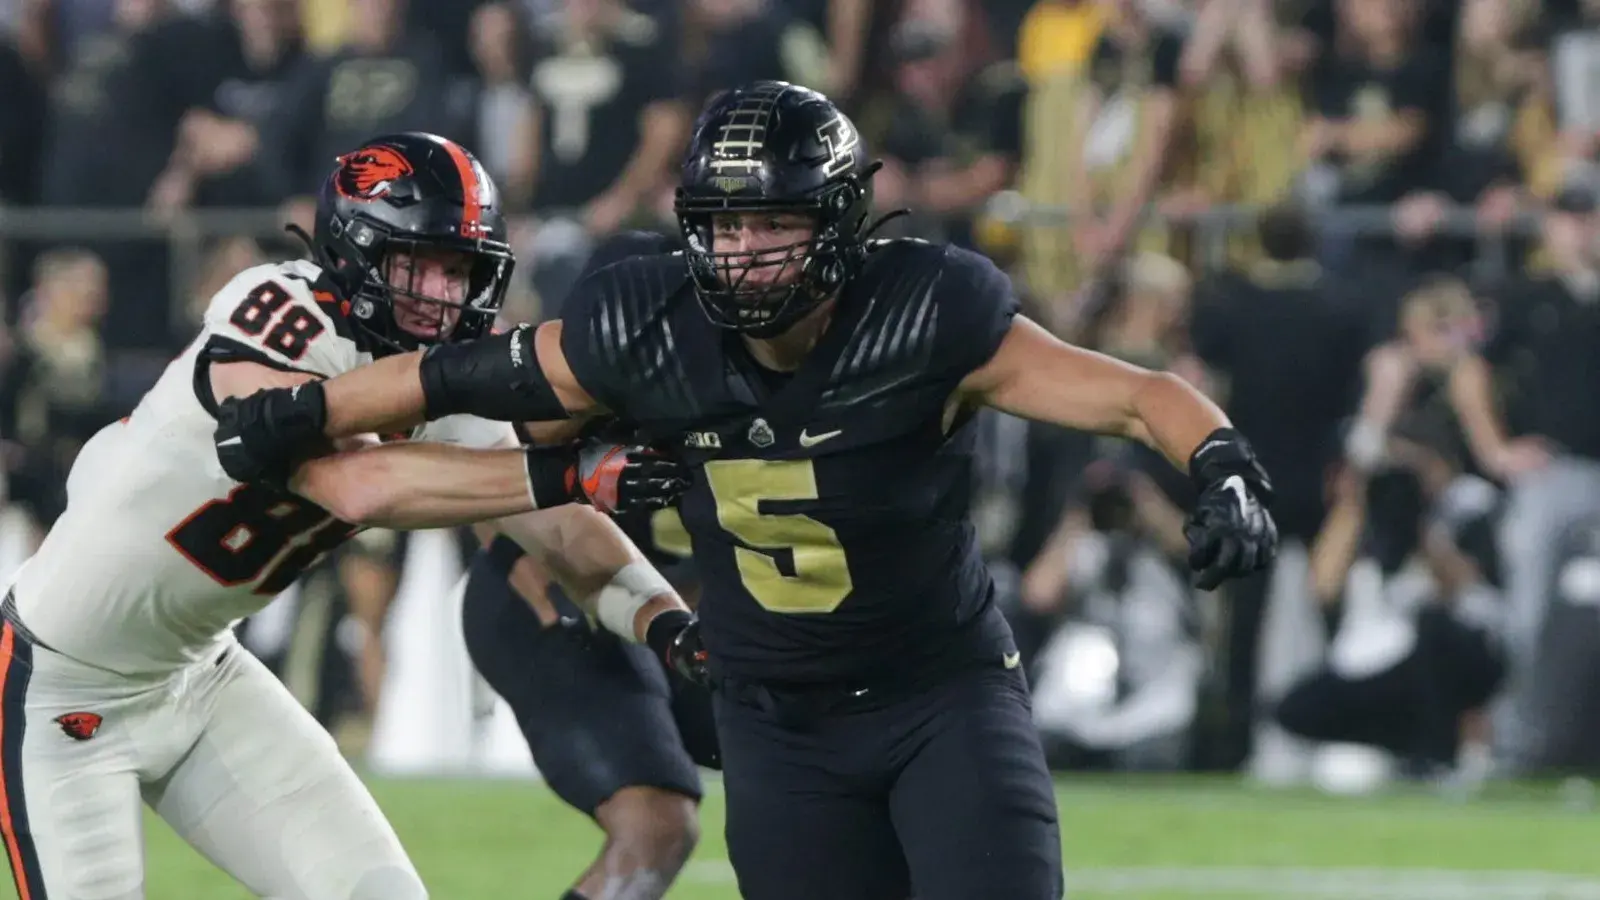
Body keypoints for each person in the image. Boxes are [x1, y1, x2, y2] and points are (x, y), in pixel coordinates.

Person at [214, 83, 1279, 900]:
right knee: (656, 826)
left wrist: (1223, 463)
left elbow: (1137, 397)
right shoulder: (644, 328)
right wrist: (311, 413)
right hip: (773, 718)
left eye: (771, 224)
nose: (742, 253)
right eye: (721, 226)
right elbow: (458, 380)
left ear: (841, 223)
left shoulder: (925, 315)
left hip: (936, 696)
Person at [0, 132, 693, 900]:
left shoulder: (439, 372)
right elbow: (360, 486)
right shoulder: (279, 309)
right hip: (62, 689)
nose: (441, 291)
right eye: (416, 263)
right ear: (356, 249)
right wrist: (573, 470)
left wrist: (668, 624)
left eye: (459, 269)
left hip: (202, 674)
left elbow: (560, 527)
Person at [464, 232, 714, 900]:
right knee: (656, 827)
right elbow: (482, 467)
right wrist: (512, 542)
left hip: (681, 616)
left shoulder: (738, 372)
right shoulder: (565, 387)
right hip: (564, 601)